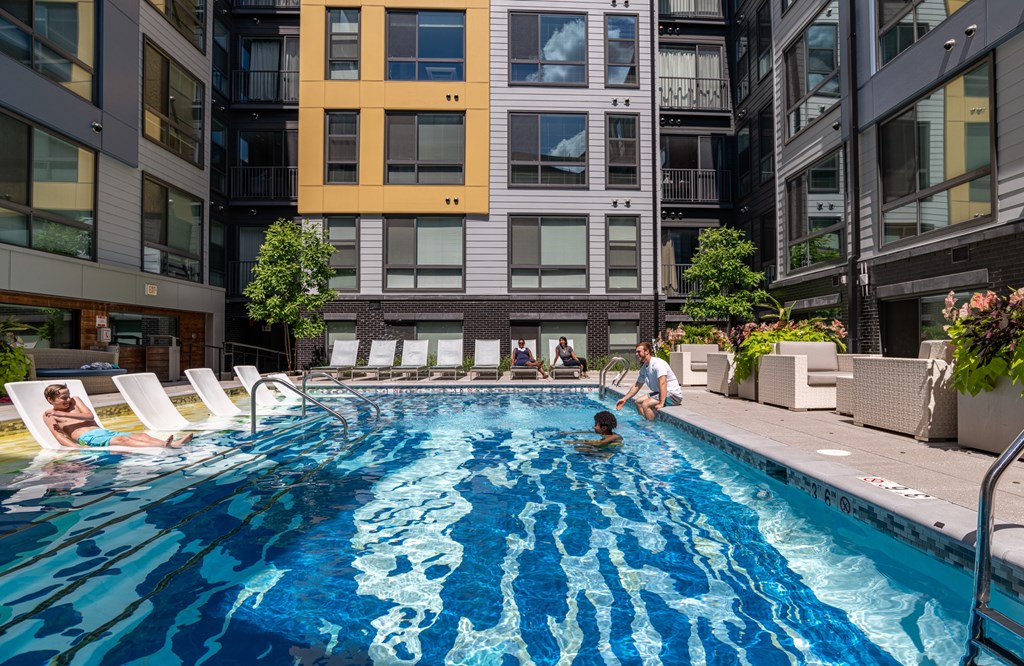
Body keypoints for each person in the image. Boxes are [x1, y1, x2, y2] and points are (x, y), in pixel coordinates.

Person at [42, 384, 193, 448]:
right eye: (63, 398)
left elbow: (89, 416)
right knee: (123, 440)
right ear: (51, 400)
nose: (68, 400)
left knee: (140, 435)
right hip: (89, 438)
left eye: (68, 396)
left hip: (103, 432)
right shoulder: (49, 415)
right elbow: (59, 436)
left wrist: (62, 412)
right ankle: (167, 445)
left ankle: (170, 443)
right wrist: (76, 448)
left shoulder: (75, 401)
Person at [615, 341, 683, 421]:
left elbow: (663, 382)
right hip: (661, 392)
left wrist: (661, 402)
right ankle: (645, 422)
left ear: (646, 351)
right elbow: (637, 386)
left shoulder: (657, 364)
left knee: (645, 404)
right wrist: (624, 399)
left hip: (673, 395)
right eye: (636, 352)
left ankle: (651, 428)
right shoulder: (645, 367)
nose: (636, 354)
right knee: (638, 402)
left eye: (639, 352)